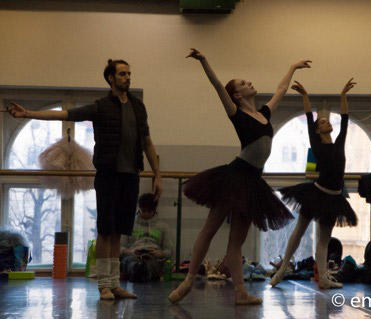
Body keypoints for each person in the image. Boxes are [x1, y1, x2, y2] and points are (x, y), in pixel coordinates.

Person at [7, 59, 163, 300]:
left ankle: (114, 283)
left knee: (119, 231)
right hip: (108, 175)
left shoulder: (138, 107)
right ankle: (104, 285)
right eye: (122, 74)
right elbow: (65, 114)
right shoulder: (100, 107)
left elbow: (147, 142)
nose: (127, 77)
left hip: (131, 174)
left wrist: (157, 174)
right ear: (111, 78)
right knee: (105, 230)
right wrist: (28, 113)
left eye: (129, 73)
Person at [168, 48, 311, 305]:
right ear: (236, 94)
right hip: (234, 177)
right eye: (244, 83)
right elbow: (216, 86)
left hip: (253, 182)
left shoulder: (264, 113)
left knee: (237, 242)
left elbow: (280, 90)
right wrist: (204, 61)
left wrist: (292, 67)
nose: (249, 83)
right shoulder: (236, 112)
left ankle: (240, 293)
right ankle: (189, 279)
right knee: (211, 227)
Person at [270, 79, 357, 289]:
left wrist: (343, 95)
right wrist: (305, 97)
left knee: (324, 239)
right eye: (322, 123)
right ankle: (282, 269)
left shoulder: (339, 143)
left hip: (334, 197)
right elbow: (310, 119)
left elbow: (345, 119)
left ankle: (324, 279)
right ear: (317, 131)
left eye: (327, 121)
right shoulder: (316, 143)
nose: (326, 123)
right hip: (316, 194)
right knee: (299, 230)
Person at [120, 193, 173, 282]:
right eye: (143, 211)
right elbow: (119, 248)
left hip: (153, 257)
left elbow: (169, 250)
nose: (146, 214)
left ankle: (141, 271)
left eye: (149, 211)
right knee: (129, 261)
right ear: (139, 208)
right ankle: (139, 270)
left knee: (152, 263)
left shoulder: (163, 226)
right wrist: (130, 251)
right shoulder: (130, 224)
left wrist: (161, 253)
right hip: (133, 255)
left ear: (154, 210)